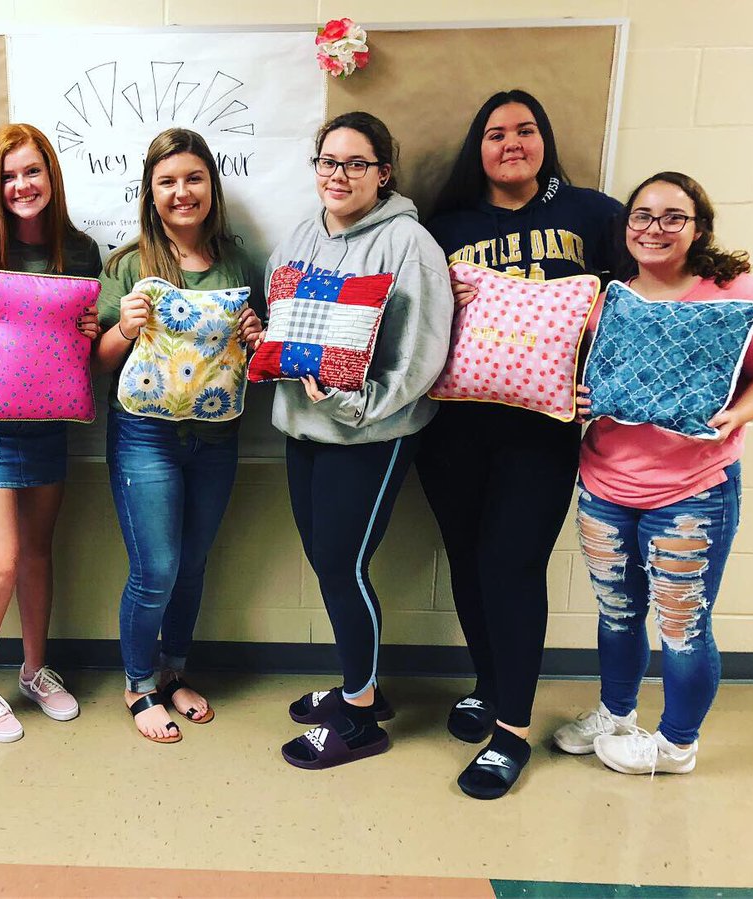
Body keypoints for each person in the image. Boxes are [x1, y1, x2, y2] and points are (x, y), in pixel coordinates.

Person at [416, 89, 622, 799]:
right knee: (471, 563)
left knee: (511, 564)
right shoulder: (443, 226)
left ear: (545, 140)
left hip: (542, 431)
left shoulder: (592, 214)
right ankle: (489, 682)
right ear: (478, 146)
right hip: (452, 430)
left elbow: (639, 303)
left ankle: (511, 731)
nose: (512, 142)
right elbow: (405, 315)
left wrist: (610, 386)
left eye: (526, 130)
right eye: (496, 132)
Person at [553, 172, 753, 775]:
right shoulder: (607, 297)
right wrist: (574, 398)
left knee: (682, 625)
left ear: (698, 226)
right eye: (642, 216)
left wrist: (731, 417)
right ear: (625, 227)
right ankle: (617, 714)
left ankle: (678, 744)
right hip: (605, 483)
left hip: (692, 492)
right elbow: (580, 374)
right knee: (617, 612)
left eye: (672, 217)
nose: (654, 228)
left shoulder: (734, 294)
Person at [272, 111, 453, 770]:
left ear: (384, 172)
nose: (338, 175)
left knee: (343, 566)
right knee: (326, 562)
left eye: (355, 164)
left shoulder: (410, 243)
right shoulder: (299, 232)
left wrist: (360, 404)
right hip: (302, 426)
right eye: (328, 161)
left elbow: (422, 351)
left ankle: (359, 716)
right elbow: (285, 321)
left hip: (370, 434)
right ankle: (362, 688)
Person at [92, 128, 263, 744]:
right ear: (150, 192)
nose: (182, 192)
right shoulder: (128, 263)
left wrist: (253, 335)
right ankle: (138, 685)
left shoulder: (240, 262)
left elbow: (259, 354)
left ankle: (173, 673)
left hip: (217, 436)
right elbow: (101, 359)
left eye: (194, 179)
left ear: (212, 187)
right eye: (167, 181)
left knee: (191, 566)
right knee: (155, 569)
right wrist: (125, 327)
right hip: (145, 437)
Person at [0, 124, 101, 743]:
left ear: (51, 177)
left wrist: (88, 330)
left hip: (46, 422)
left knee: (37, 555)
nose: (22, 185)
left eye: (32, 172)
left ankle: (35, 669)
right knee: (0, 561)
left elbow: (82, 349)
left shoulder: (79, 251)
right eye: (8, 176)